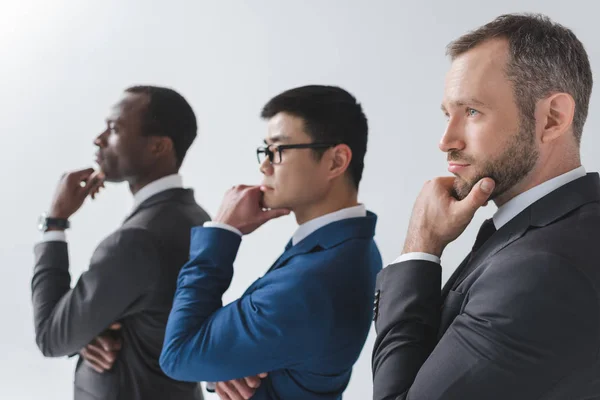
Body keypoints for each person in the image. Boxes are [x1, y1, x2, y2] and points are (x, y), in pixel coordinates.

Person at [371, 13, 600, 400]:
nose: (446, 140)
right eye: (448, 114)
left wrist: (419, 249)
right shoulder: (562, 231)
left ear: (553, 118)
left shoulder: (541, 269)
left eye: (472, 111)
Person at [159, 85, 382, 399]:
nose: (264, 166)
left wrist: (222, 231)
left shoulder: (309, 283)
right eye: (265, 151)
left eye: (278, 151)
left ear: (336, 161)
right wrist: (221, 364)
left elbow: (178, 355)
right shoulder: (353, 245)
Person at [32, 85, 210, 400]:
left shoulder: (136, 240)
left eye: (114, 129)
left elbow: (51, 335)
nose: (99, 139)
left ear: (158, 146)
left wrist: (55, 223)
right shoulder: (193, 216)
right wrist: (86, 328)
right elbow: (152, 318)